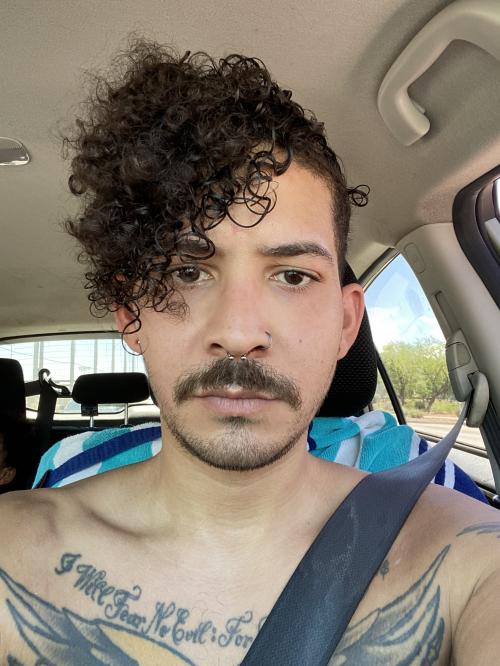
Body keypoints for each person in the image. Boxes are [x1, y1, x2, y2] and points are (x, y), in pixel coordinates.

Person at [1, 38, 499, 665]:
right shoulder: (14, 553)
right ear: (130, 315)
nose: (239, 333)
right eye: (187, 272)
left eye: (292, 276)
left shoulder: (461, 553)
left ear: (346, 324)